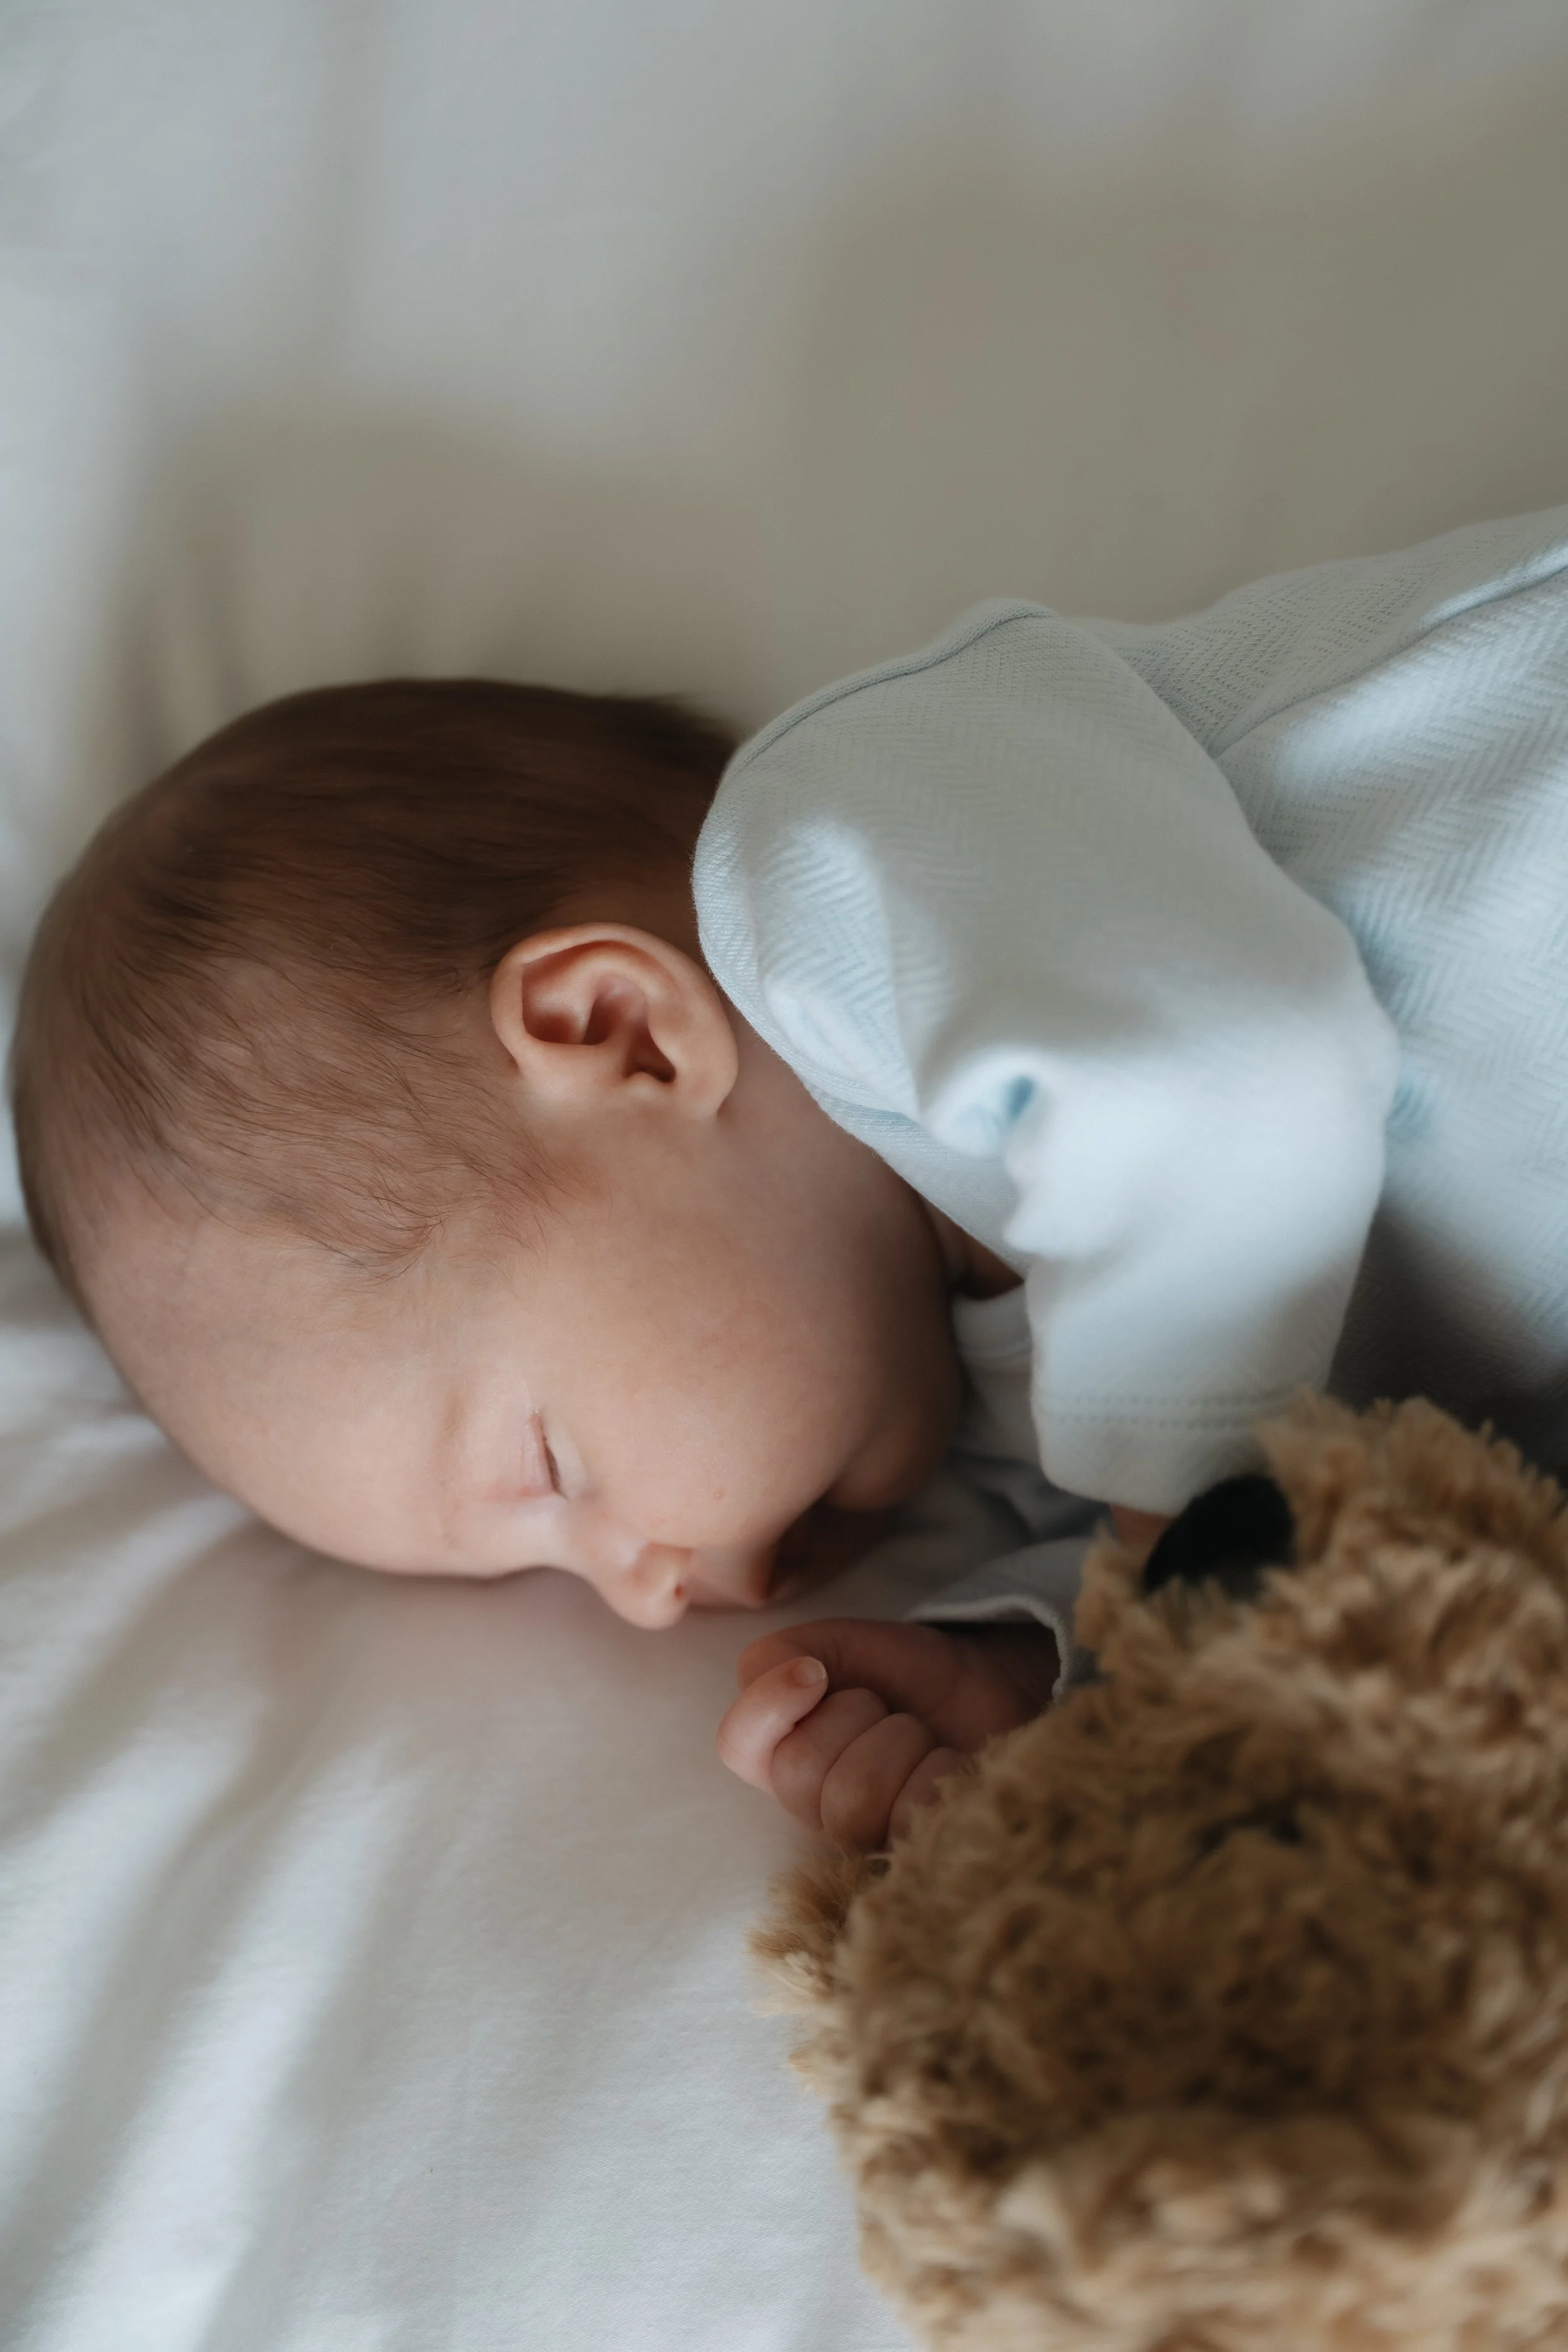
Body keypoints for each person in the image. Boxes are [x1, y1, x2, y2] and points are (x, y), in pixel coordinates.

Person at [11, 502, 1568, 1846]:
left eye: (549, 1476)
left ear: (622, 1033)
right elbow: (1349, 1479)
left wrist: (1174, 1585)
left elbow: (1232, 1080)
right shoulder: (978, 1362)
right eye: (542, 1571)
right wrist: (1031, 1663)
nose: (640, 1598)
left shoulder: (841, 865)